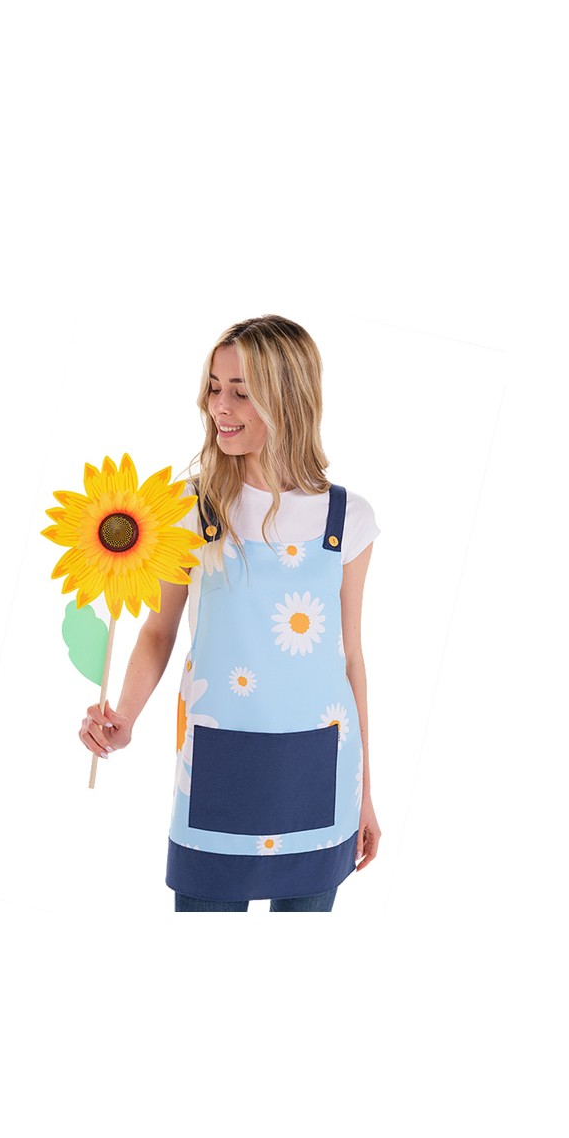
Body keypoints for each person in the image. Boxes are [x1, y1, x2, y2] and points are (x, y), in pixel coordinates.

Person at [79, 315, 381, 911]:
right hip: (215, 765)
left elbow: (350, 659)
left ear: (287, 396)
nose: (220, 405)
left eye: (241, 391)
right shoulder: (189, 508)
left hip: (320, 774)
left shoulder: (347, 518)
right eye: (214, 387)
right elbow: (158, 632)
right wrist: (125, 717)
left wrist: (365, 792)